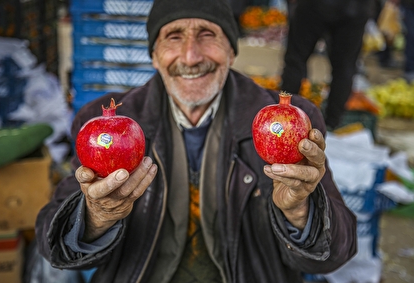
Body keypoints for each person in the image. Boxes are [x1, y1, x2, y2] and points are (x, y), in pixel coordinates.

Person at [35, 0, 357, 282]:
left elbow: (338, 252)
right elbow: (54, 246)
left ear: (231, 50)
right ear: (155, 55)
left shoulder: (292, 123)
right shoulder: (103, 127)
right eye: (173, 37)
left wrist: (300, 212)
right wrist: (95, 217)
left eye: (207, 34)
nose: (190, 56)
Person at [280, 0, 375, 130]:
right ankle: (332, 122)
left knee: (296, 59)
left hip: (316, 6)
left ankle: (285, 115)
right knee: (344, 68)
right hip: (355, 8)